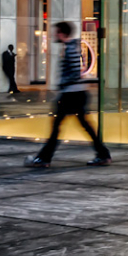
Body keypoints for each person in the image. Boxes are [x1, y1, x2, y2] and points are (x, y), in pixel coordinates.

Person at [26, 21, 111, 167]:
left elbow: (74, 71)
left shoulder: (70, 48)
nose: (54, 35)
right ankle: (103, 154)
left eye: (56, 32)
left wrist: (63, 83)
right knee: (82, 125)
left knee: (57, 126)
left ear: (62, 33)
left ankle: (43, 159)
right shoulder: (72, 47)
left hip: (71, 94)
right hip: (77, 93)